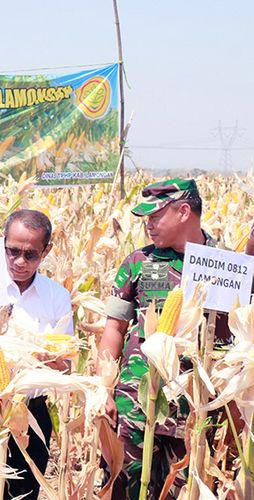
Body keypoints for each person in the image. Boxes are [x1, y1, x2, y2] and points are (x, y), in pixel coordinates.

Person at [98, 178, 230, 499]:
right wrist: (103, 389)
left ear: (184, 211)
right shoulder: (138, 262)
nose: (149, 225)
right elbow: (114, 328)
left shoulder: (225, 266)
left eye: (156, 216)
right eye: (146, 219)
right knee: (125, 488)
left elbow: (234, 340)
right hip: (134, 402)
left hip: (194, 410)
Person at [0, 209, 73, 499]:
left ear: (46, 251)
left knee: (24, 494)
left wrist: (24, 350)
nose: (20, 262)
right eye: (13, 251)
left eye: (30, 255)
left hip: (32, 414)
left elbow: (64, 365)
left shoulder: (57, 296)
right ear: (3, 244)